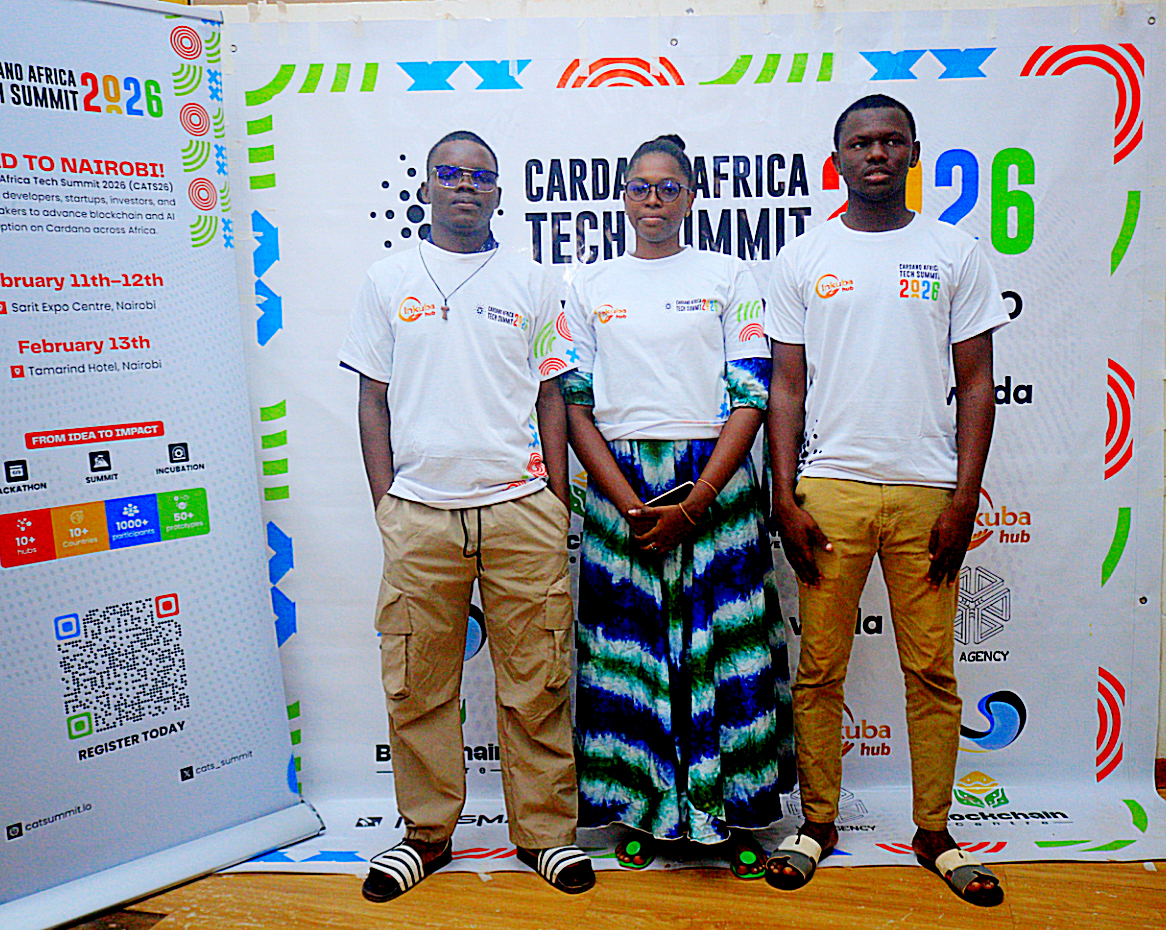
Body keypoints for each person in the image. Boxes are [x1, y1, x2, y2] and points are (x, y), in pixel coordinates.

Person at [764, 95, 1009, 906]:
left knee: (931, 670)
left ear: (913, 152)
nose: (876, 153)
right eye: (861, 142)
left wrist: (964, 497)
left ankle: (934, 833)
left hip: (926, 492)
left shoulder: (954, 252)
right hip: (829, 490)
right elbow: (786, 386)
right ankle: (818, 824)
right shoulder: (803, 257)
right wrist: (784, 493)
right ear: (836, 158)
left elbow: (978, 381)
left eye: (891, 140)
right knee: (818, 671)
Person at [339, 130, 594, 900]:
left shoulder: (534, 281)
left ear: (498, 193)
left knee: (537, 682)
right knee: (417, 686)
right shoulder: (386, 280)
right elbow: (372, 401)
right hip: (420, 515)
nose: (464, 185)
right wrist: (388, 503)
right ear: (425, 188)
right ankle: (425, 834)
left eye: (480, 176)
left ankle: (545, 835)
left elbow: (552, 395)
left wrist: (554, 497)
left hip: (521, 510)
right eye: (448, 173)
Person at [562, 134, 794, 879]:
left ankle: (736, 817)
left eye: (668, 187)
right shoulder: (588, 283)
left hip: (714, 485)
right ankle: (644, 812)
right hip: (620, 488)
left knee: (726, 652)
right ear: (623, 197)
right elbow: (573, 405)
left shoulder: (731, 275)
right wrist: (629, 504)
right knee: (631, 655)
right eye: (640, 187)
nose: (653, 200)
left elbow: (752, 396)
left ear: (692, 196)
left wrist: (695, 504)